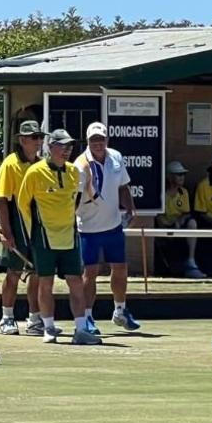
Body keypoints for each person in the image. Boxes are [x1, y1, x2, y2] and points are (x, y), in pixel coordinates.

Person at [17, 128, 100, 345]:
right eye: (62, 146)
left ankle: (81, 329)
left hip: (69, 236)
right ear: (50, 147)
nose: (67, 150)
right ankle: (49, 327)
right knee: (46, 282)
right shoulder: (35, 172)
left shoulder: (75, 172)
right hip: (43, 236)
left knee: (76, 282)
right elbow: (23, 204)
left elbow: (76, 200)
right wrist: (29, 235)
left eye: (70, 146)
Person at [74, 122, 141, 334]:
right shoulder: (80, 164)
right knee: (90, 272)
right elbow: (74, 197)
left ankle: (120, 311)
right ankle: (86, 316)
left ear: (107, 140)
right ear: (87, 142)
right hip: (88, 227)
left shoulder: (116, 157)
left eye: (101, 139)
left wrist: (130, 209)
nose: (98, 143)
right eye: (94, 140)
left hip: (113, 225)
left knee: (120, 268)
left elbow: (123, 186)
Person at [0, 120, 45, 335]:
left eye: (40, 137)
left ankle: (34, 319)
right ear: (22, 140)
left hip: (37, 226)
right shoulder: (10, 164)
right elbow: (1, 201)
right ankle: (7, 317)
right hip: (17, 224)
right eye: (34, 138)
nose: (39, 141)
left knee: (37, 273)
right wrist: (7, 232)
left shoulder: (42, 164)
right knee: (14, 272)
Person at [159, 160, 206, 278]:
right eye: (178, 174)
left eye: (183, 174)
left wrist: (179, 221)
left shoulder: (183, 192)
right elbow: (157, 216)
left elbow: (185, 213)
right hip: (164, 226)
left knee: (192, 223)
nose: (182, 177)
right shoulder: (161, 193)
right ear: (170, 176)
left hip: (178, 226)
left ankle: (191, 260)